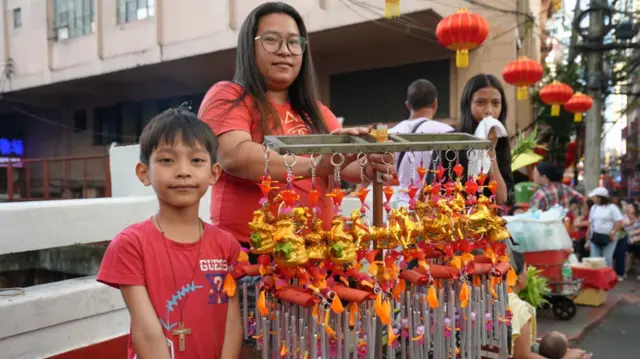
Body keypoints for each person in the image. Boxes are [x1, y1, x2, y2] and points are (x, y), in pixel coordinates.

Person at [198, 2, 393, 250]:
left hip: (317, 251)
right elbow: (234, 155)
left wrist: (372, 161)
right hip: (251, 253)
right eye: (271, 40)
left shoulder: (317, 112)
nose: (284, 50)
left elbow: (348, 165)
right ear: (250, 47)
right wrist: (315, 165)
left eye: (293, 42)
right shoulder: (229, 95)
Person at [97, 108, 242, 359]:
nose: (183, 171)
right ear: (144, 173)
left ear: (214, 173)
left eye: (196, 160)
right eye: (167, 160)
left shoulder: (226, 245)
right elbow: (146, 331)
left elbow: (231, 320)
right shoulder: (131, 244)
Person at [509, 251, 592, 359]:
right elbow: (522, 356)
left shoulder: (489, 297)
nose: (527, 272)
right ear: (518, 277)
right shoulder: (518, 308)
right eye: (526, 268)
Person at [448, 74, 514, 205]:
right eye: (480, 103)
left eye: (495, 103)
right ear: (468, 105)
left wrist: (490, 152)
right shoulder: (451, 142)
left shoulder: (501, 142)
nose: (489, 111)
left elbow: (502, 199)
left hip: (490, 222)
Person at [390, 79, 453, 207]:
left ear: (408, 105)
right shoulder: (448, 132)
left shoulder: (391, 133)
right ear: (435, 103)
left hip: (400, 208)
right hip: (432, 210)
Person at [586, 187, 624, 268]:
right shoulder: (594, 207)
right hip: (595, 236)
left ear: (600, 198)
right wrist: (588, 239)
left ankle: (607, 279)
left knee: (607, 260)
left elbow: (619, 221)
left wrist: (613, 232)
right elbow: (590, 223)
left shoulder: (612, 207)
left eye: (594, 197)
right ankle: (596, 279)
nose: (592, 198)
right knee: (594, 260)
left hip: (609, 238)